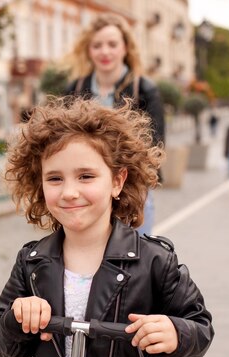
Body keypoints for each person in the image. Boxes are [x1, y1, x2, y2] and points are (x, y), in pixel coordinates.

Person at [0, 98, 214, 357]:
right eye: (55, 178)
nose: (69, 192)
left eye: (86, 176)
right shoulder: (33, 261)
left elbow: (200, 327)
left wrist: (176, 333)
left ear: (117, 181)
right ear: (40, 184)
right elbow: (5, 349)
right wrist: (17, 318)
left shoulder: (153, 261)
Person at [61, 13, 165, 236]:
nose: (105, 51)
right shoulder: (75, 89)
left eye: (112, 44)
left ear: (125, 48)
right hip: (85, 190)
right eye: (97, 45)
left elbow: (155, 145)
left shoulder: (145, 89)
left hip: (131, 189)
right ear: (89, 50)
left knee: (133, 260)